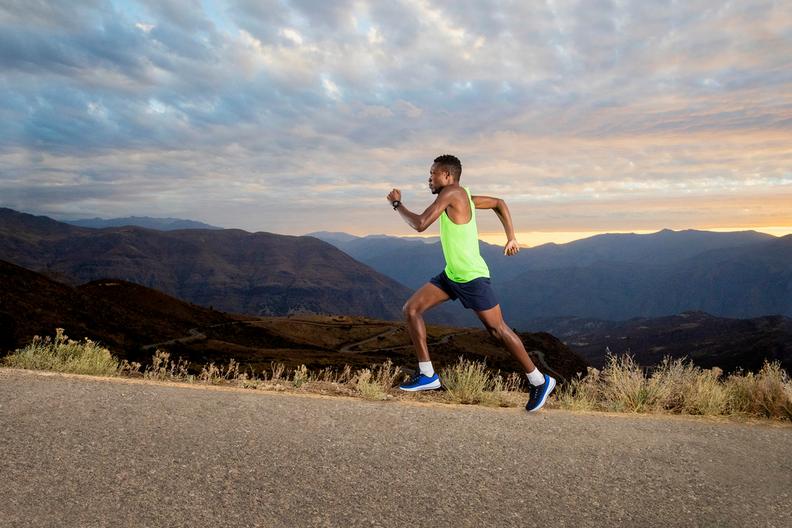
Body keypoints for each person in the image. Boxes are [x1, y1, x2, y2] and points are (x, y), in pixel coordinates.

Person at [386, 154, 555, 412]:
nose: (428, 179)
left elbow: (420, 224)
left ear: (447, 176)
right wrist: (511, 237)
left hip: (471, 277)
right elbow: (499, 203)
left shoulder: (452, 193)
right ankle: (428, 375)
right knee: (411, 309)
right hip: (452, 275)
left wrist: (397, 204)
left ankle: (539, 380)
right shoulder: (462, 195)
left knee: (498, 330)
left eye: (432, 174)